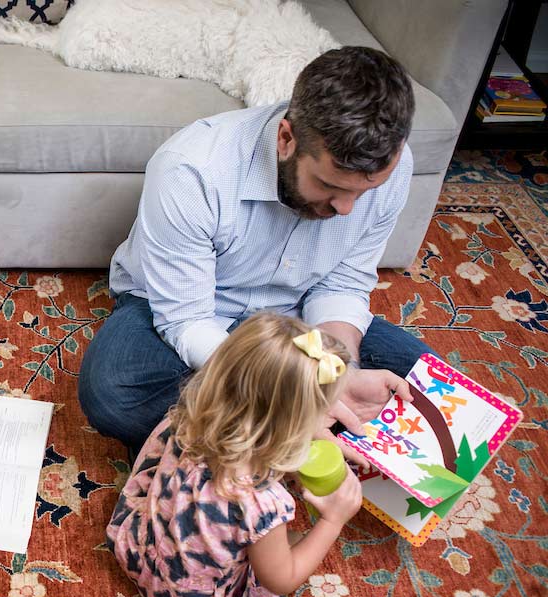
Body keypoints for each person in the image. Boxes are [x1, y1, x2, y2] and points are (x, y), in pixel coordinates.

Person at [79, 46, 432, 453]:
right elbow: (187, 319)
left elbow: (343, 285)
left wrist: (339, 372)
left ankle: (259, 435)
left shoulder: (393, 169)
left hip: (296, 315)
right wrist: (296, 394)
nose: (346, 209)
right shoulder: (192, 169)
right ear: (286, 139)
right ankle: (303, 433)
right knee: (114, 395)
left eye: (363, 191)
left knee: (423, 387)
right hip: (190, 307)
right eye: (330, 187)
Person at [105, 313, 362, 597]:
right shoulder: (263, 504)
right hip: (188, 596)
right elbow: (282, 579)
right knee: (285, 548)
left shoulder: (187, 419)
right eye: (319, 415)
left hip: (137, 547)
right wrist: (332, 521)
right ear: (291, 427)